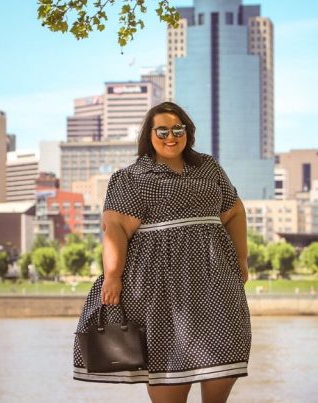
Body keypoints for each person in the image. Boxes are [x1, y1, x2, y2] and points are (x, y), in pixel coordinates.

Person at [72, 102, 250, 403]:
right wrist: (113, 276)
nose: (171, 136)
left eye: (177, 129)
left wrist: (240, 259)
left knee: (226, 352)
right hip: (162, 288)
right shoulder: (131, 177)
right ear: (149, 134)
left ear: (187, 132)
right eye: (162, 130)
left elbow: (234, 211)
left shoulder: (209, 167)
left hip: (217, 281)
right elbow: (114, 227)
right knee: (168, 360)